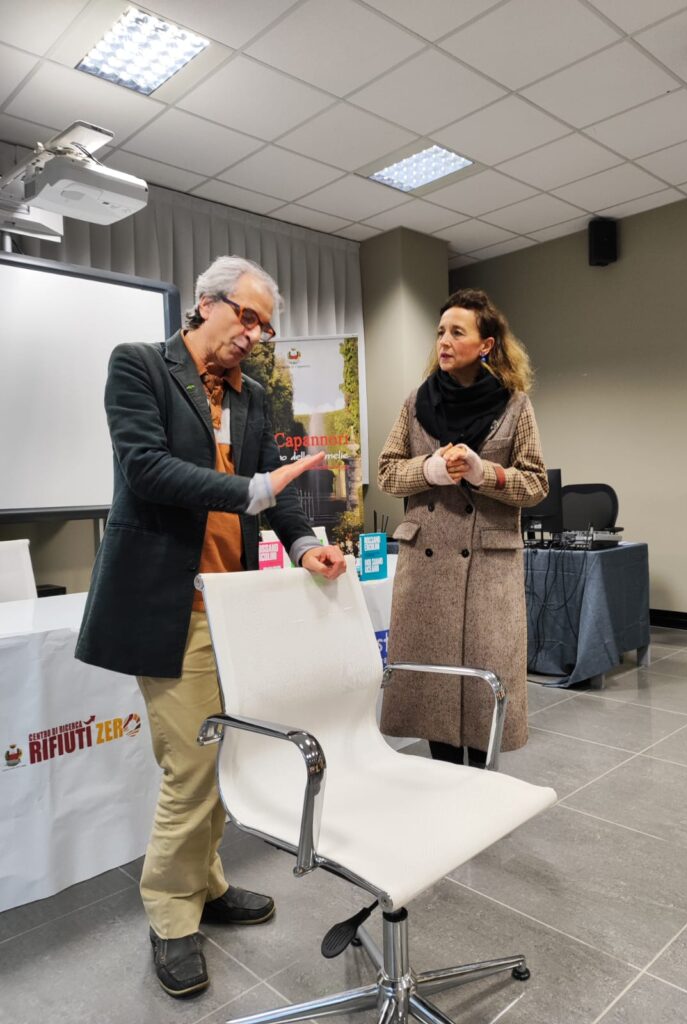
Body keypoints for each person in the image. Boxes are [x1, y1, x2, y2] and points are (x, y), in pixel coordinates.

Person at [75, 255, 345, 997]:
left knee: (226, 758)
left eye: (265, 326)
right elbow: (146, 469)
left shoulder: (253, 395)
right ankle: (170, 914)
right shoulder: (139, 366)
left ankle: (209, 883)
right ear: (204, 303)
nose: (254, 334)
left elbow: (279, 494)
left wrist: (305, 545)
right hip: (171, 606)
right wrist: (253, 489)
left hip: (236, 611)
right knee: (192, 768)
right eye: (246, 316)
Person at [378, 288, 547, 767]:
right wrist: (429, 469)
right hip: (426, 572)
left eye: (457, 332)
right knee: (433, 694)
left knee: (482, 696)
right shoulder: (416, 403)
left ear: (486, 344)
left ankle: (480, 791)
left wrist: (484, 473)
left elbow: (535, 483)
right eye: (440, 332)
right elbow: (388, 471)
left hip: (488, 572)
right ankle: (445, 787)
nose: (444, 342)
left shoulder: (515, 405)